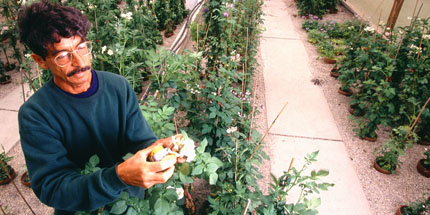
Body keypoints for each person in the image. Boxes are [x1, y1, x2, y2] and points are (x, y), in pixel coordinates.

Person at [17, 1, 181, 214]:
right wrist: (118, 177)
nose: (79, 62)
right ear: (40, 60)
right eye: (62, 56)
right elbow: (52, 187)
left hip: (131, 206)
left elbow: (140, 141)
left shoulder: (117, 86)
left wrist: (160, 150)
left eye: (81, 47)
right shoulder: (36, 114)